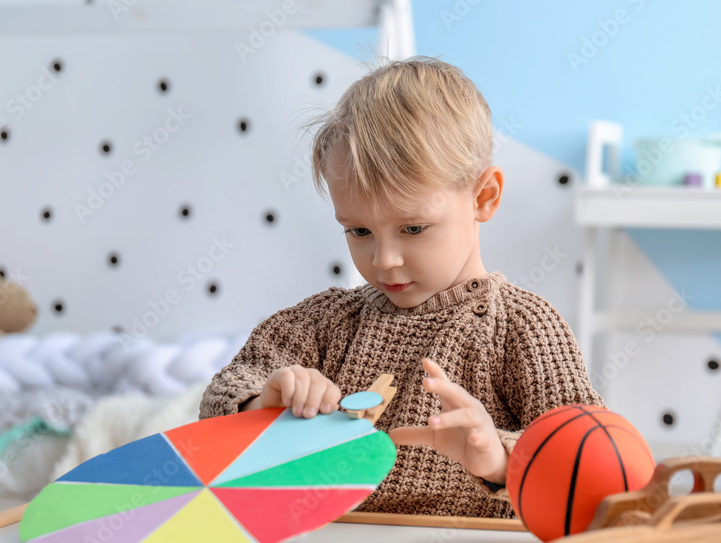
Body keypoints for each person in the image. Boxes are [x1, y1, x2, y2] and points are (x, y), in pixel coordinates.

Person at [199, 56, 603, 518]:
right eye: (359, 232)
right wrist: (262, 402)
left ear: (483, 197)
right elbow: (218, 397)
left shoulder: (522, 327)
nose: (383, 260)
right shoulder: (325, 322)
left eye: (413, 229)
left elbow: (590, 462)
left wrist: (501, 459)